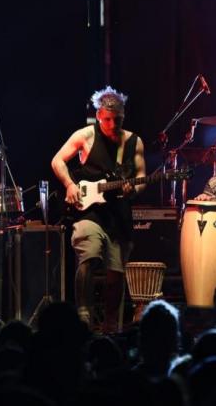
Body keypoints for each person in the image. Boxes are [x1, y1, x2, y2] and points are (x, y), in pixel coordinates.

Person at [51, 86, 146, 332]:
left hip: (119, 215)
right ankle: (83, 315)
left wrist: (133, 190)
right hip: (89, 212)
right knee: (89, 254)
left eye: (118, 120)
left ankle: (111, 325)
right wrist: (70, 185)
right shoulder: (85, 135)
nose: (112, 124)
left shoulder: (134, 142)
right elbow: (57, 160)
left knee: (116, 272)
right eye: (107, 119)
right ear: (98, 115)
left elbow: (142, 177)